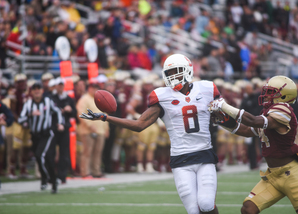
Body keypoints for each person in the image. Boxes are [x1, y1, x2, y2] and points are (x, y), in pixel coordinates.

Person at [80, 54, 220, 214]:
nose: (173, 76)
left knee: (207, 203)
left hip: (204, 155)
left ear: (188, 70)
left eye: (177, 71)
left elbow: (226, 116)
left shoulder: (207, 89)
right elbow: (139, 125)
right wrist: (106, 117)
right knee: (193, 211)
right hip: (181, 159)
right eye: (170, 72)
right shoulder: (162, 96)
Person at [208, 75, 298, 214]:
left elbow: (253, 121)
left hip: (291, 175)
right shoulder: (269, 112)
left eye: (271, 92)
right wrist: (222, 121)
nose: (265, 95)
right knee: (248, 208)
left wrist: (224, 106)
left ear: (284, 96)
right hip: (272, 175)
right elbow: (247, 130)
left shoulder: (284, 110)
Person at [18, 82, 64, 194]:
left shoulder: (48, 102)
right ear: (32, 92)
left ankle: (45, 179)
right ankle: (53, 182)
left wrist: (60, 123)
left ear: (42, 91)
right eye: (34, 89)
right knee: (47, 159)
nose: (36, 91)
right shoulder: (28, 104)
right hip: (34, 135)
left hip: (46, 134)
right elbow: (20, 119)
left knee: (40, 155)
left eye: (38, 89)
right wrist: (30, 115)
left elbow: (57, 111)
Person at [76, 79, 109, 178]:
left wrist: (106, 128)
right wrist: (90, 125)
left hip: (100, 130)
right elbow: (81, 114)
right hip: (88, 131)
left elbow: (105, 114)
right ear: (89, 88)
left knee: (98, 152)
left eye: (96, 88)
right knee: (87, 151)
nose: (94, 90)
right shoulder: (84, 99)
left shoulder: (100, 100)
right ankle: (85, 172)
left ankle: (96, 171)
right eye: (92, 88)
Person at [51, 77, 77, 184]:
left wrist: (69, 110)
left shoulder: (68, 99)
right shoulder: (51, 98)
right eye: (59, 85)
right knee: (51, 153)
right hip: (53, 128)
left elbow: (75, 113)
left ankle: (62, 176)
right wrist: (59, 110)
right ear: (55, 86)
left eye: (62, 85)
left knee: (64, 153)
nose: (60, 87)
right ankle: (51, 175)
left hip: (65, 128)